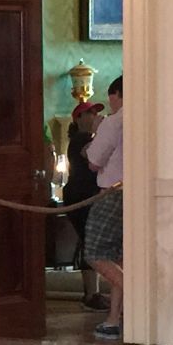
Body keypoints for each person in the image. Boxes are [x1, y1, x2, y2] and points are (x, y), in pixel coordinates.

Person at [82, 76, 125, 340]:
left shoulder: (114, 121)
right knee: (119, 257)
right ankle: (112, 320)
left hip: (111, 193)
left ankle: (139, 298)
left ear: (117, 94)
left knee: (95, 252)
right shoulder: (143, 115)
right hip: (133, 194)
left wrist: (97, 133)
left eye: (111, 95)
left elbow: (94, 163)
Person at [62, 101, 107, 310]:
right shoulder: (80, 139)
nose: (93, 116)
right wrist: (100, 133)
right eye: (88, 113)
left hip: (89, 194)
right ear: (78, 119)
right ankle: (91, 294)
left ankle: (92, 292)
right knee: (89, 240)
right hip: (80, 195)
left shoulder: (88, 139)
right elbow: (91, 156)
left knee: (89, 240)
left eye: (94, 112)